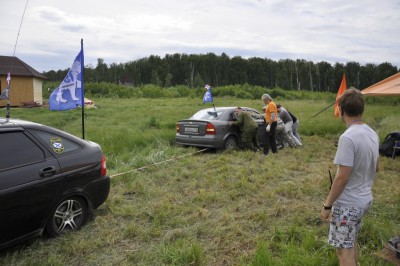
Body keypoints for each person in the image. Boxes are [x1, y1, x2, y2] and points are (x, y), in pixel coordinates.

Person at [320, 88, 379, 266]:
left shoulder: (347, 137)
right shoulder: (372, 133)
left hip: (348, 204)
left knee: (343, 253)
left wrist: (327, 205)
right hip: (364, 199)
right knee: (350, 240)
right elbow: (376, 167)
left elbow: (341, 178)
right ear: (362, 109)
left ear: (341, 110)